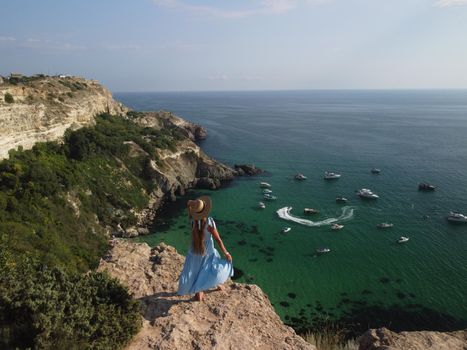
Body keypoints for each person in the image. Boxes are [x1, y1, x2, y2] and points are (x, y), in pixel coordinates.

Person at [177, 196, 233, 301]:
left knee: (197, 271)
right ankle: (216, 284)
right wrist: (226, 253)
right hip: (207, 251)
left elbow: (189, 207)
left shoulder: (193, 221)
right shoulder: (209, 222)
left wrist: (191, 203)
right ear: (205, 210)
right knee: (212, 267)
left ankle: (199, 292)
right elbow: (218, 240)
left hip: (194, 251)